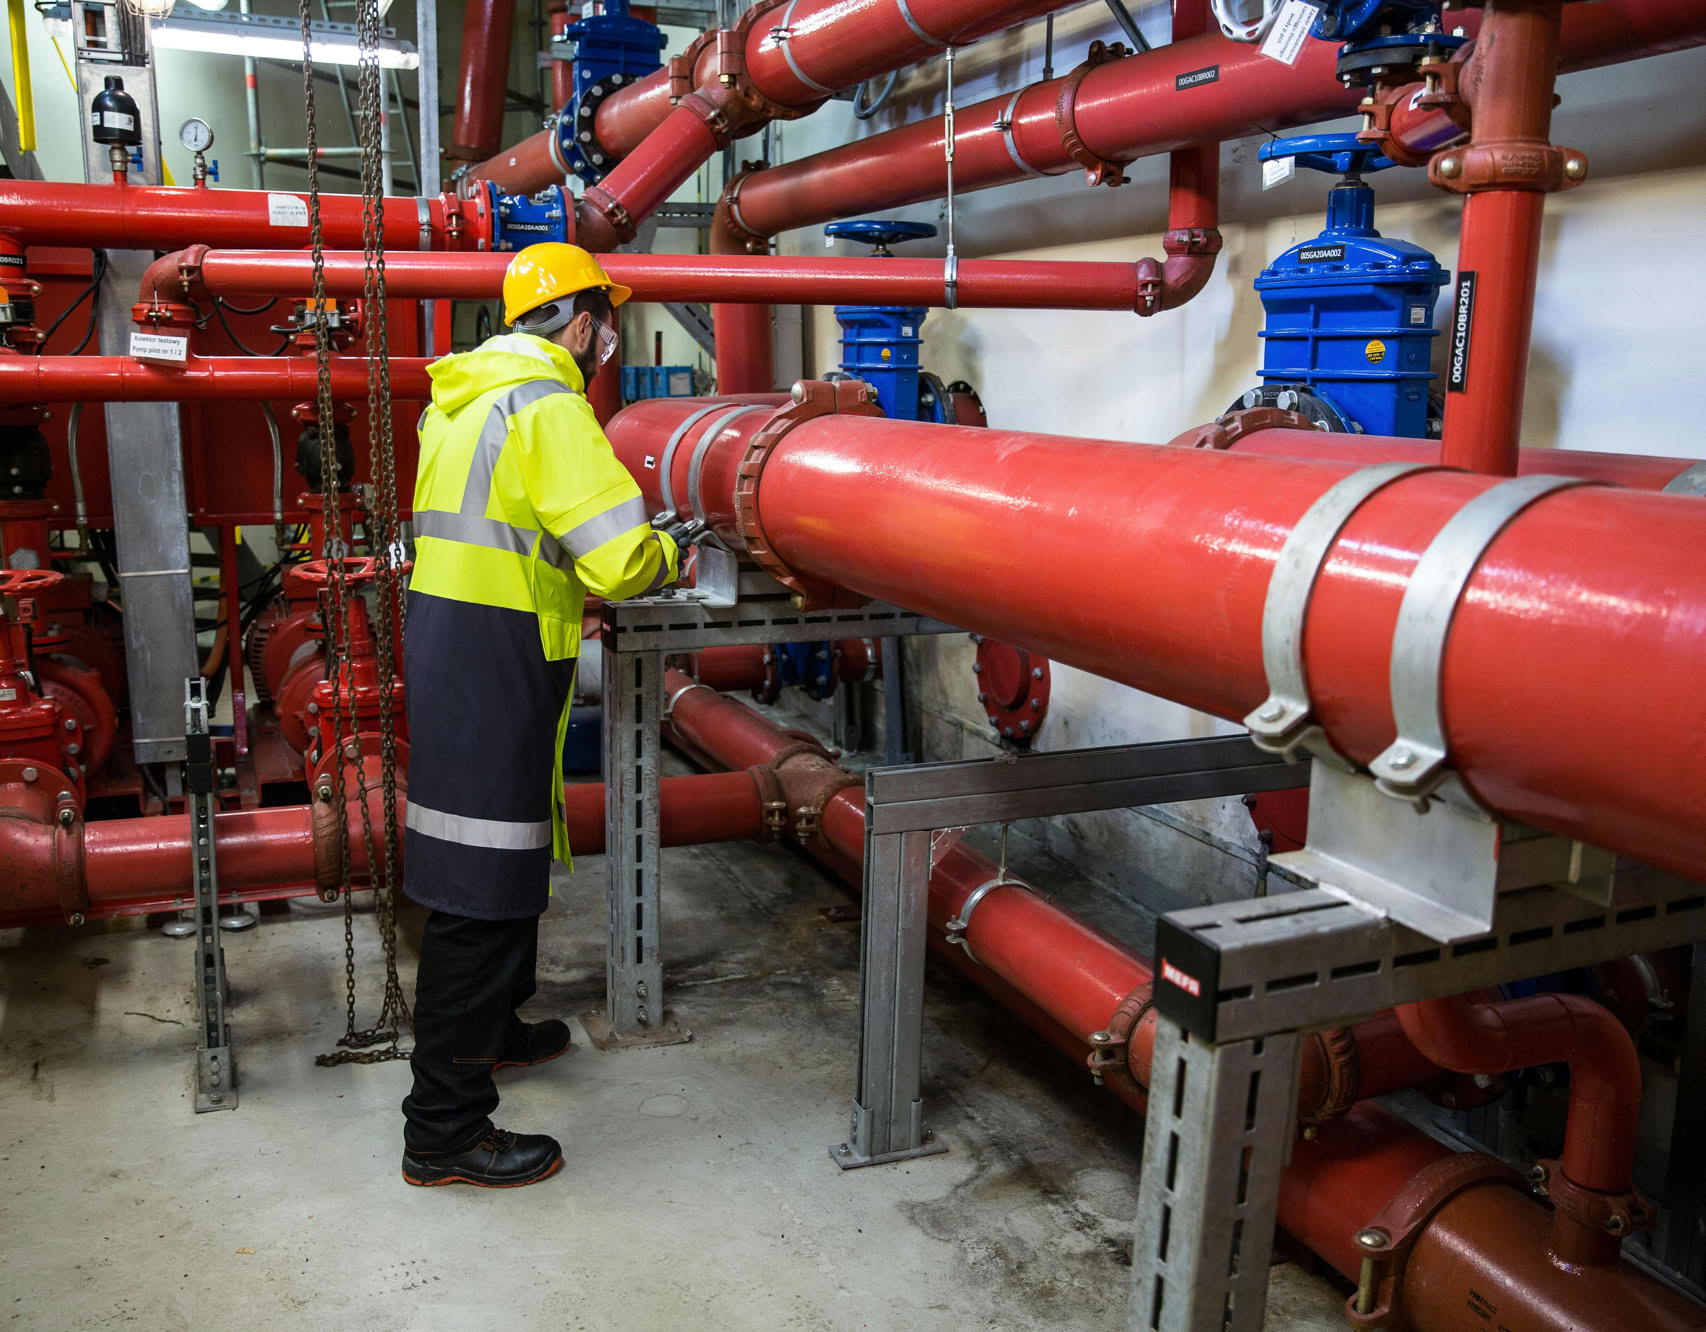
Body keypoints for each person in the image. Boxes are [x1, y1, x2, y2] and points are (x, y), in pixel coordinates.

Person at [398, 242, 679, 1188]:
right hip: (498, 649)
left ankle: (494, 1028)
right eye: (609, 326)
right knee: (476, 886)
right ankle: (443, 1129)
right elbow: (619, 560)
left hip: (455, 638)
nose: (607, 344)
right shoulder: (547, 405)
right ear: (585, 324)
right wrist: (672, 554)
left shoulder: (462, 399)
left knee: (505, 853)